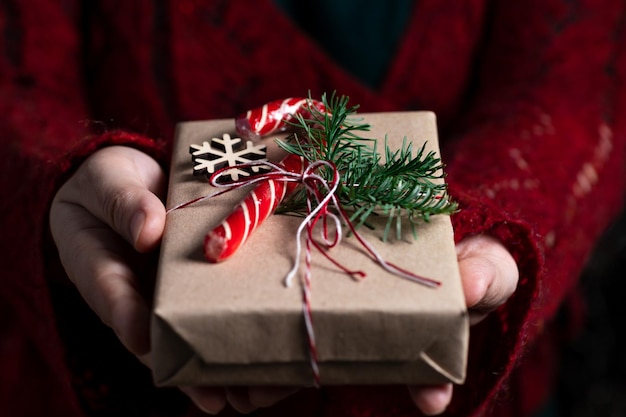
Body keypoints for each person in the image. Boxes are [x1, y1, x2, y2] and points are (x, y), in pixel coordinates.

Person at [1, 1, 624, 416]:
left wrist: (494, 219)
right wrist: (64, 170)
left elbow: (573, 88)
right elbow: (18, 78)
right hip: (121, 378)